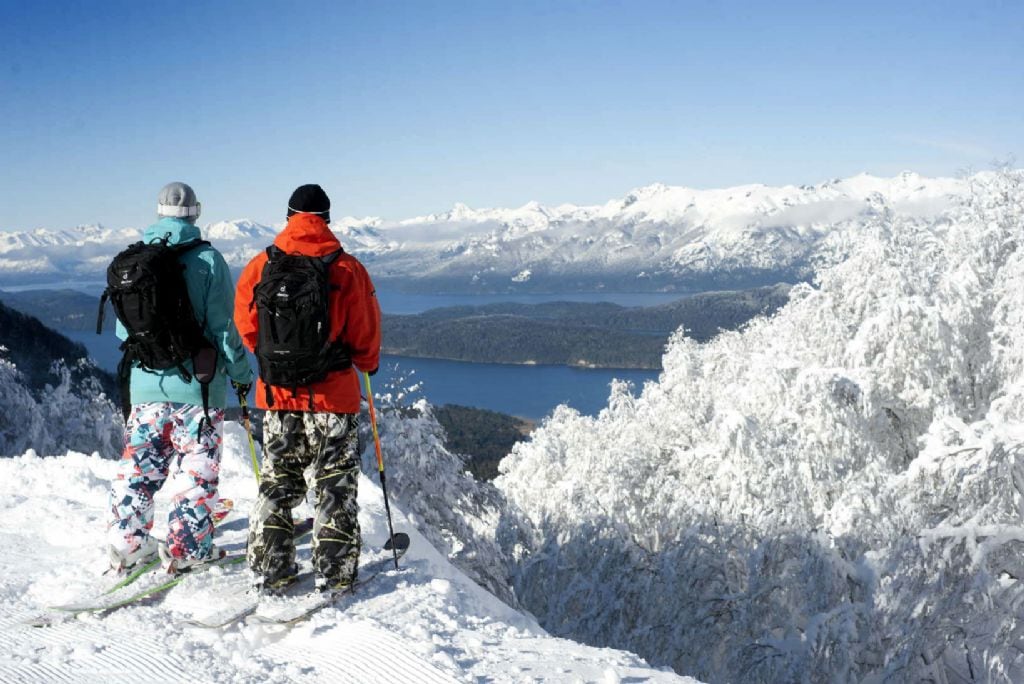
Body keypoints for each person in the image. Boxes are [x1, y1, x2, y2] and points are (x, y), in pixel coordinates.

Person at [234, 184, 381, 594]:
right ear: (328, 219)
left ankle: (271, 565)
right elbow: (365, 331)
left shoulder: (260, 267)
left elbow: (248, 328)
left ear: (288, 216)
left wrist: (276, 363)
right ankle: (334, 572)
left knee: (279, 478)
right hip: (334, 396)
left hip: (278, 396)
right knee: (334, 481)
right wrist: (366, 363)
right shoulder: (348, 268)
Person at [105, 182, 253, 574]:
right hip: (198, 390)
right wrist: (241, 375)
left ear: (157, 213)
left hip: (144, 385)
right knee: (195, 474)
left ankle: (127, 544)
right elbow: (223, 329)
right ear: (196, 213)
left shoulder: (133, 263)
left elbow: (124, 333)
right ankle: (186, 550)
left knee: (139, 469)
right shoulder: (207, 260)